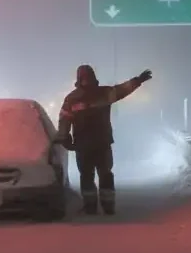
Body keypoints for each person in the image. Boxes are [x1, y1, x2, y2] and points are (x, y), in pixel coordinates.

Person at [56, 65, 153, 215]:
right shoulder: (99, 94)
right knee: (94, 176)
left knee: (98, 175)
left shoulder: (74, 98)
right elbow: (65, 120)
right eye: (85, 78)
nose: (86, 80)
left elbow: (122, 90)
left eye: (87, 77)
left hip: (92, 144)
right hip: (96, 143)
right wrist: (64, 137)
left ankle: (100, 206)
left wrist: (137, 81)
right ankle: (97, 206)